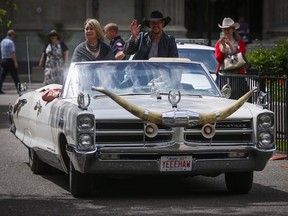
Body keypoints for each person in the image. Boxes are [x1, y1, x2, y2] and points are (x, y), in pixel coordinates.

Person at [215, 17, 249, 100]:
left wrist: (230, 45)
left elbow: (241, 56)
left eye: (228, 29)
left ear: (233, 29)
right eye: (224, 30)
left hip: (237, 74)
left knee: (238, 98)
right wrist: (223, 46)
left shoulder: (240, 42)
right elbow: (219, 59)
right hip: (224, 73)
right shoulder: (219, 43)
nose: (226, 31)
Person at [0, 30, 20, 94]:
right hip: (9, 60)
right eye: (14, 36)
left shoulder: (2, 42)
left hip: (3, 60)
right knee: (15, 76)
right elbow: (12, 53)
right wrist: (15, 62)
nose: (14, 37)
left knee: (2, 76)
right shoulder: (10, 42)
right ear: (12, 35)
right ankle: (19, 90)